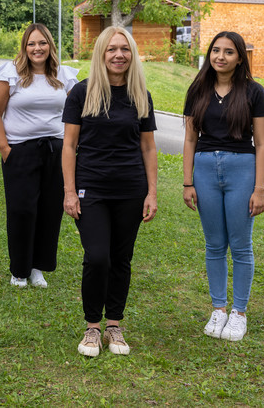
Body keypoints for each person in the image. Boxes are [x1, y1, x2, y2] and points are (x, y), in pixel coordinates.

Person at [61, 26, 158, 357]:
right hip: (92, 188)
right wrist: (69, 191)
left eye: (125, 49)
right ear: (101, 54)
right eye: (112, 49)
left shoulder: (140, 95)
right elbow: (69, 145)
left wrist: (152, 193)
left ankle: (114, 324)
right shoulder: (81, 93)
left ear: (132, 55)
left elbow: (148, 148)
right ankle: (92, 327)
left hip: (131, 188)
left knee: (121, 258)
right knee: (98, 256)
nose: (119, 55)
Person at [182, 31, 264, 342]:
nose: (220, 56)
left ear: (240, 58)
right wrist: (188, 182)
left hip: (241, 169)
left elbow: (261, 144)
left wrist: (259, 188)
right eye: (216, 50)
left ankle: (239, 313)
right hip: (205, 169)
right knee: (214, 245)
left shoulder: (254, 92)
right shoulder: (198, 90)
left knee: (241, 245)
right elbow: (190, 139)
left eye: (229, 52)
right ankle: (218, 308)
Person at [0, 23, 78, 288]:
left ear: (50, 45)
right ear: (24, 47)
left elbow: (75, 116)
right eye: (31, 44)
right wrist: (5, 149)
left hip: (56, 151)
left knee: (50, 211)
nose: (37, 48)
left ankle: (38, 268)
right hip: (20, 151)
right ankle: (19, 270)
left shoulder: (64, 75)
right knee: (22, 211)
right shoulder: (11, 74)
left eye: (42, 43)